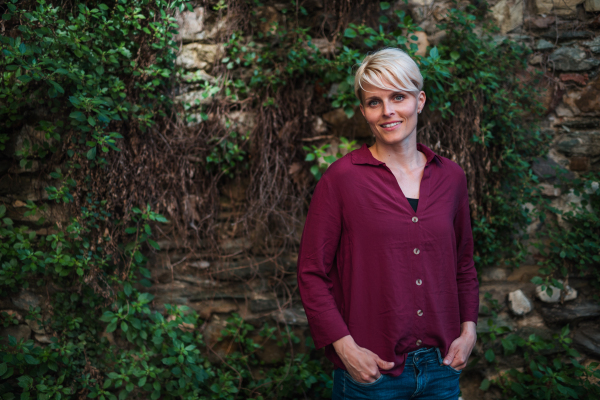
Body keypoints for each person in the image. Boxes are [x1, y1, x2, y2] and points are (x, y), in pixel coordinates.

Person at [296, 48, 479, 399]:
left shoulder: (452, 178)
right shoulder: (341, 180)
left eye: (398, 97)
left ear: (420, 100)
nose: (388, 111)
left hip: (441, 371)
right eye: (374, 102)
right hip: (372, 374)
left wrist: (468, 331)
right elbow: (312, 273)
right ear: (364, 111)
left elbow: (463, 264)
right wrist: (346, 349)